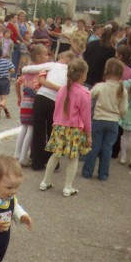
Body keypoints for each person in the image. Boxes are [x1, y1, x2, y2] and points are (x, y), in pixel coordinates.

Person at [39, 59, 92, 197]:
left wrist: (55, 123)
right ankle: (67, 187)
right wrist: (89, 135)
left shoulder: (62, 89)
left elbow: (57, 109)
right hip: (75, 129)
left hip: (59, 127)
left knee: (55, 155)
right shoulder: (84, 93)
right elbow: (86, 117)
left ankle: (45, 182)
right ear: (82, 75)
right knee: (73, 158)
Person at [25, 51, 77, 170]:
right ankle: (52, 162)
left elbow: (29, 69)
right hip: (57, 101)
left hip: (42, 97)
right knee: (53, 131)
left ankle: (37, 162)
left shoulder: (51, 65)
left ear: (62, 57)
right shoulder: (71, 72)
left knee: (38, 131)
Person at [81, 58, 127, 181]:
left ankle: (87, 172)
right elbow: (123, 110)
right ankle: (103, 174)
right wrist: (120, 116)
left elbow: (88, 97)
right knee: (107, 148)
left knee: (94, 146)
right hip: (113, 122)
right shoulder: (123, 90)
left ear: (106, 72)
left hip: (98, 119)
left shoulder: (100, 86)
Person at [14, 45, 48, 166]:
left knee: (24, 127)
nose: (47, 57)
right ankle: (23, 157)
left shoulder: (27, 70)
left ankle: (17, 154)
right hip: (34, 102)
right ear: (38, 56)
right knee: (31, 129)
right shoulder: (41, 71)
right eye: (46, 54)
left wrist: (19, 97)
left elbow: (17, 83)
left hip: (24, 100)